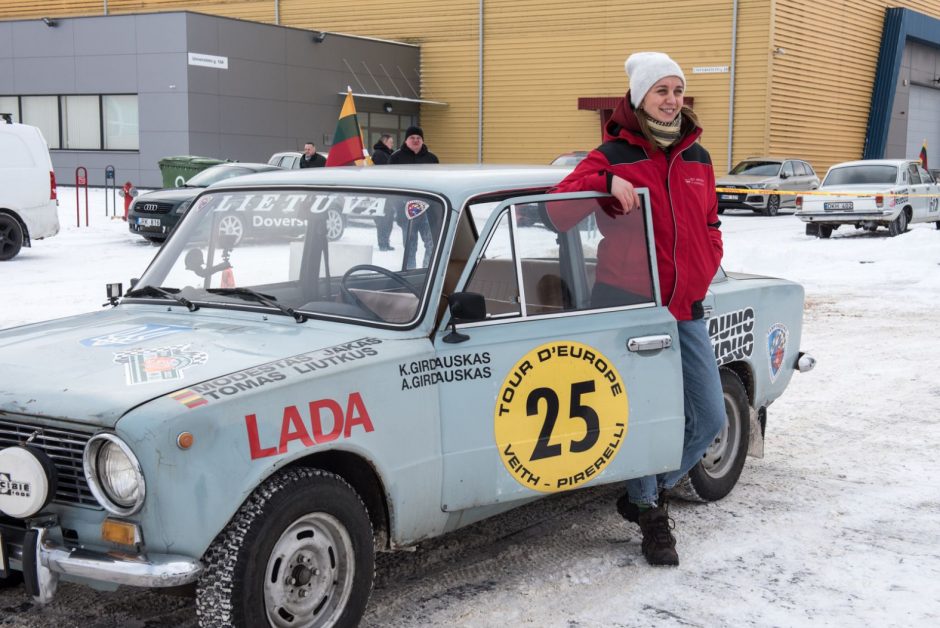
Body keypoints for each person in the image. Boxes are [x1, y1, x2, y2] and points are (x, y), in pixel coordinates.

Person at [552, 51, 725, 567]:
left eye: (677, 91)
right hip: (629, 306)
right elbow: (558, 209)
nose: (672, 101)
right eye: (661, 91)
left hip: (685, 306)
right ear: (638, 97)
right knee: (645, 416)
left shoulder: (698, 157)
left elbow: (712, 222)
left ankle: (644, 490)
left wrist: (709, 259)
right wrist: (603, 184)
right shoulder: (612, 153)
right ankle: (652, 515)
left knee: (709, 415)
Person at [389, 126, 440, 268]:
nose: (416, 140)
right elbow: (391, 185)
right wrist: (397, 207)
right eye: (412, 138)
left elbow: (438, 183)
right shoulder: (396, 158)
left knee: (432, 245)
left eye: (419, 138)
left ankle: (426, 273)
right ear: (406, 140)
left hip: (428, 212)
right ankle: (410, 275)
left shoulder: (432, 158)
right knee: (410, 248)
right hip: (406, 212)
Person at [371, 134, 399, 250]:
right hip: (381, 192)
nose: (392, 144)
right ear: (384, 141)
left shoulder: (389, 153)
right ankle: (382, 243)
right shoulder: (379, 154)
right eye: (390, 142)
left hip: (389, 192)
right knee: (382, 219)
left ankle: (386, 242)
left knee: (389, 218)